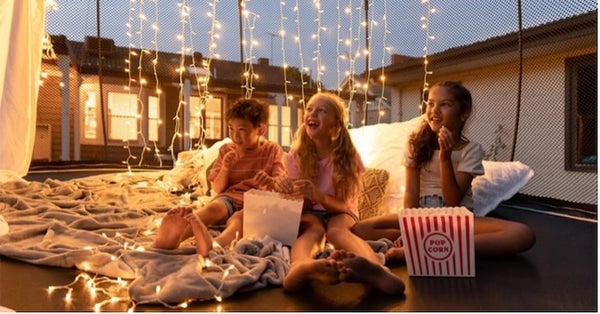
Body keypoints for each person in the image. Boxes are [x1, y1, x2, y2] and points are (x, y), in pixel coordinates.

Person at [351, 81, 536, 263]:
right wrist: (410, 229)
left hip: (454, 219)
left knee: (522, 234)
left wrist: (445, 158)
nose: (434, 111)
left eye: (445, 105)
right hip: (421, 217)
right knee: (360, 229)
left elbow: (453, 200)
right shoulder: (416, 144)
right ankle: (428, 244)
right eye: (431, 104)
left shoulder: (471, 150)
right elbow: (411, 193)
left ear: (463, 114)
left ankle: (419, 250)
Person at [275, 92, 404, 295]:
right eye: (309, 109)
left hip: (340, 212)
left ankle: (377, 270)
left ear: (335, 126)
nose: (312, 113)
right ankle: (300, 267)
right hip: (312, 213)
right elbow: (304, 207)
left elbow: (344, 206)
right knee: (312, 230)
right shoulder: (295, 157)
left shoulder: (348, 158)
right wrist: (289, 190)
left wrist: (319, 196)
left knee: (337, 232)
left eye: (322, 111)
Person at [152, 97, 285, 256]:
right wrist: (226, 167)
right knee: (212, 209)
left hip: (257, 202)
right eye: (231, 129)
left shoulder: (272, 150)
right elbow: (217, 188)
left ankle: (214, 245)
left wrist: (270, 181)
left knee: (238, 222)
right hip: (230, 198)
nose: (235, 136)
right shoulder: (225, 150)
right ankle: (175, 236)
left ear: (260, 130)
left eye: (242, 130)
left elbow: (279, 184)